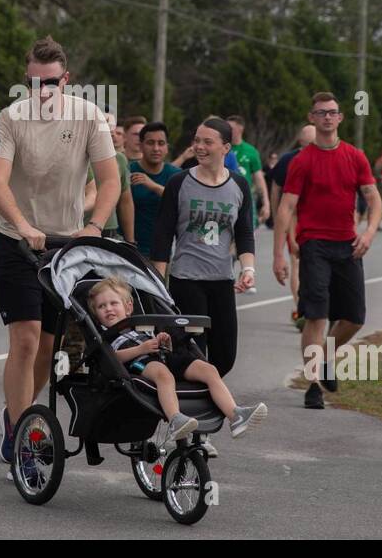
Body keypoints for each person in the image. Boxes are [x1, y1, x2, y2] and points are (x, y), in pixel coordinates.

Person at [0, 36, 118, 466]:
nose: (43, 91)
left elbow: (111, 180)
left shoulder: (89, 117)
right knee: (23, 339)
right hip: (17, 241)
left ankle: (17, 412)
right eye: (34, 82)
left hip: (66, 246)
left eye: (51, 82)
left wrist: (93, 226)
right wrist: (23, 226)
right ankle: (24, 435)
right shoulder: (11, 118)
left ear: (67, 79)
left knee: (48, 347)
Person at [273, 93, 381, 411]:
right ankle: (314, 384)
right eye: (321, 113)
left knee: (354, 319)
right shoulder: (302, 160)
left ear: (341, 118)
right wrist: (278, 255)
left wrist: (370, 233)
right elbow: (286, 207)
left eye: (333, 113)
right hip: (314, 246)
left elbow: (374, 199)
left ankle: (327, 355)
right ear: (312, 118)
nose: (327, 118)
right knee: (317, 316)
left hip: (348, 246)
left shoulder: (355, 156)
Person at [89, 277, 267, 440]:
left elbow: (160, 345)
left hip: (163, 355)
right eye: (101, 306)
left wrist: (163, 341)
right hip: (137, 363)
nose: (108, 309)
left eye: (113, 303)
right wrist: (140, 349)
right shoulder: (105, 335)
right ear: (96, 314)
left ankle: (235, 415)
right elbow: (110, 358)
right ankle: (175, 419)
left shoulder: (141, 324)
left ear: (128, 307)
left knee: (208, 369)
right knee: (163, 374)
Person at [151, 117, 255, 380]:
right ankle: (197, 409)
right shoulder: (179, 182)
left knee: (225, 357)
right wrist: (158, 284)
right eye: (196, 140)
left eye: (208, 142)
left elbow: (243, 232)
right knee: (194, 353)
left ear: (226, 148)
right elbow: (163, 234)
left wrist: (248, 268)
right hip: (187, 280)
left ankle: (205, 399)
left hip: (222, 281)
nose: (199, 147)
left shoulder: (239, 185)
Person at [268, 124, 315, 330]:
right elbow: (276, 186)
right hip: (294, 216)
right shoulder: (289, 160)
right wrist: (275, 212)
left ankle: (307, 308)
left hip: (315, 217)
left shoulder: (323, 157)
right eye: (307, 143)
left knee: (308, 264)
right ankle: (301, 310)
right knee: (297, 262)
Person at [129, 122, 179, 257]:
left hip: (163, 252)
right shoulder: (129, 171)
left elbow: (183, 203)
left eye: (161, 143)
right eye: (150, 143)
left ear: (167, 148)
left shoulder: (176, 175)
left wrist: (153, 186)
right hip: (130, 249)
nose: (156, 148)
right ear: (140, 146)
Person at [84, 112, 135, 242]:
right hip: (74, 228)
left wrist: (130, 241)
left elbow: (125, 201)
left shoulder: (120, 159)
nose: (111, 132)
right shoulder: (76, 156)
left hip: (107, 229)